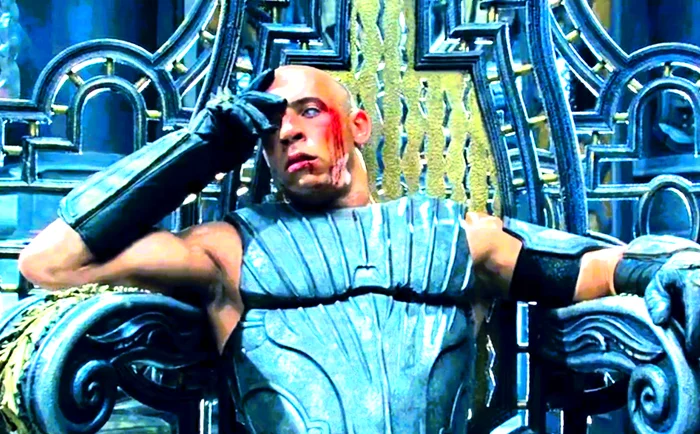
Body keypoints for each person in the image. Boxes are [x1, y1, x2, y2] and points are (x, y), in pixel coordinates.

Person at [17, 65, 700, 433]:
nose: (288, 133)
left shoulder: (451, 234)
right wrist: (195, 152)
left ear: (359, 125)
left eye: (308, 111)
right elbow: (51, 263)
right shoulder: (228, 250)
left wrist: (658, 268)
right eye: (269, 128)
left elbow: (582, 266)